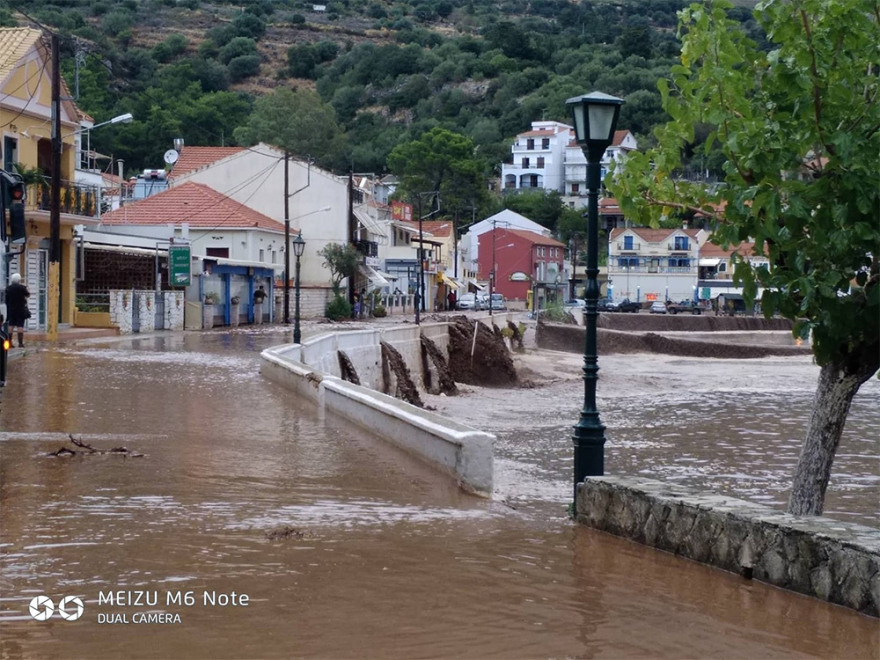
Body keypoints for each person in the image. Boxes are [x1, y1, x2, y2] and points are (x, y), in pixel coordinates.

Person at [5, 273, 30, 348]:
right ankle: (20, 343)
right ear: (19, 279)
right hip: (20, 309)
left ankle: (9, 343)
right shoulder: (22, 288)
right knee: (20, 325)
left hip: (11, 309)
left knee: (11, 325)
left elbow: (6, 299)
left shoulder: (8, 288)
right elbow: (28, 295)